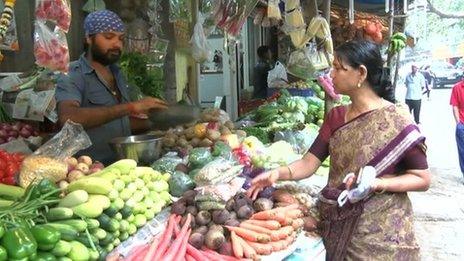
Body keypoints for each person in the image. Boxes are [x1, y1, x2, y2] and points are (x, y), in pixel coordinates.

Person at [247, 40, 430, 260]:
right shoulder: (336, 117)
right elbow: (308, 163)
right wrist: (277, 174)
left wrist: (377, 184)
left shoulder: (397, 120)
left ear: (361, 73)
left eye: (338, 67)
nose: (331, 74)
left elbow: (422, 178)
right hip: (339, 226)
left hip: (383, 232)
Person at [55, 10, 167, 164]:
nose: (117, 44)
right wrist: (131, 107)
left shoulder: (117, 74)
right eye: (108, 37)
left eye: (121, 39)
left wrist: (160, 121)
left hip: (123, 166)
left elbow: (119, 124)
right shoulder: (73, 74)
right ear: (88, 38)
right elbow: (68, 118)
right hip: (89, 171)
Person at [450, 79, 464, 181]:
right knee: (463, 152)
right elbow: (455, 106)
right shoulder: (457, 87)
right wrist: (458, 122)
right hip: (462, 124)